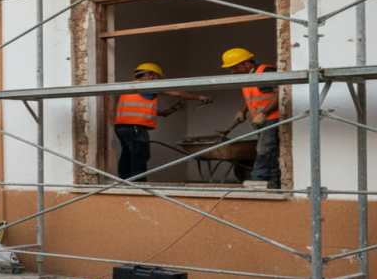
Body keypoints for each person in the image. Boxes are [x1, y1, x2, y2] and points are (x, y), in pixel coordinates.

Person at [113, 63, 212, 181]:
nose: (158, 80)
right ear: (149, 75)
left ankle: (124, 181)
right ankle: (138, 184)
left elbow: (139, 108)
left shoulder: (131, 86)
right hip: (135, 126)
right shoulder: (147, 85)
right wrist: (200, 98)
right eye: (157, 77)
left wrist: (167, 112)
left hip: (121, 126)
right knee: (140, 155)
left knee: (128, 153)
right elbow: (178, 93)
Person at [222, 48, 280, 188]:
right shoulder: (249, 76)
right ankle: (274, 182)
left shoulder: (267, 72)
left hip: (271, 118)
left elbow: (279, 93)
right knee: (271, 150)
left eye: (235, 67)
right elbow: (251, 97)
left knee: (264, 150)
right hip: (259, 120)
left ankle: (256, 180)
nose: (234, 71)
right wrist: (242, 111)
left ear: (247, 64)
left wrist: (264, 112)